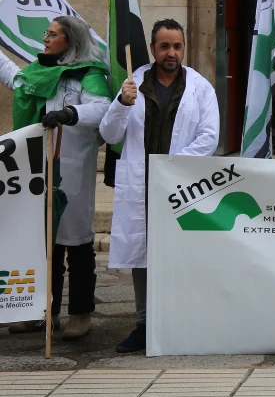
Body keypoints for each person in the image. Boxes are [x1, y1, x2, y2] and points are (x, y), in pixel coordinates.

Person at [100, 19, 219, 353]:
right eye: (164, 46)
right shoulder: (133, 84)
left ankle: (180, 321)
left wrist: (171, 167)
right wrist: (122, 104)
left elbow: (209, 137)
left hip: (180, 184)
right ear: (153, 48)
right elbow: (110, 135)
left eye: (177, 46)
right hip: (140, 186)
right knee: (142, 255)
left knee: (179, 253)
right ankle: (143, 324)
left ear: (184, 47)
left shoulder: (199, 87)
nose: (171, 52)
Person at [0, 17, 111, 340]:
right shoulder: (38, 71)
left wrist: (70, 114)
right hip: (38, 172)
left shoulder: (87, 75)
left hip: (72, 170)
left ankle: (80, 312)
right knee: (43, 244)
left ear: (70, 40)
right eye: (46, 33)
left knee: (75, 243)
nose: (45, 39)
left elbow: (102, 109)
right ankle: (42, 313)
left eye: (52, 34)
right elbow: (14, 78)